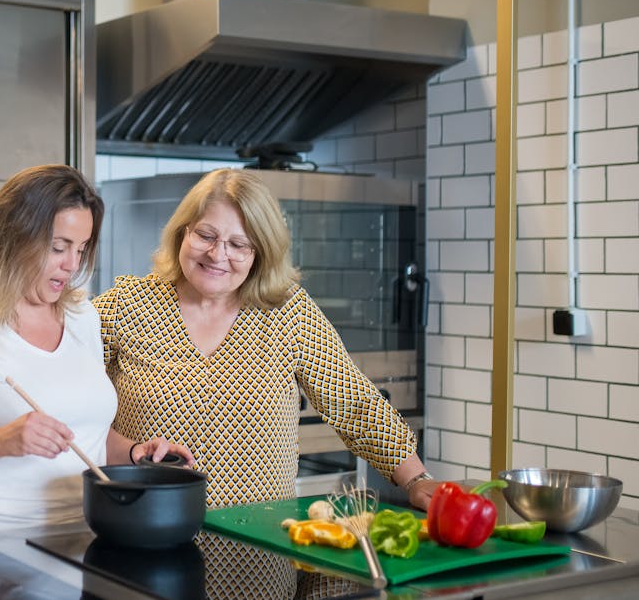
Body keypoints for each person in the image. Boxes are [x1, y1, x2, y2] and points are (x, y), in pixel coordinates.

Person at [93, 168, 438, 512]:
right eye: (205, 235)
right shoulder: (126, 306)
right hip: (146, 529)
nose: (217, 254)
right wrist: (128, 448)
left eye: (238, 244)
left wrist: (416, 479)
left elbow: (355, 404)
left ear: (260, 252)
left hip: (261, 549)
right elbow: (67, 403)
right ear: (183, 232)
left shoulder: (289, 312)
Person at [0, 164, 194, 538]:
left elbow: (86, 435)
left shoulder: (82, 317)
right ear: (13, 238)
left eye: (81, 248)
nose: (72, 265)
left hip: (86, 541)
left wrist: (134, 453)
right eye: (59, 247)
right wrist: (0, 441)